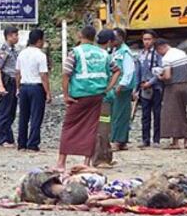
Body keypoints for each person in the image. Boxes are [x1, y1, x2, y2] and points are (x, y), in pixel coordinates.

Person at [56, 26, 111, 171]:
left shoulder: (75, 52)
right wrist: (108, 87)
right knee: (91, 128)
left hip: (79, 95)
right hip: (97, 95)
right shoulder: (103, 53)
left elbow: (66, 74)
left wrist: (66, 95)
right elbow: (117, 69)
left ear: (80, 35)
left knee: (69, 126)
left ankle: (61, 162)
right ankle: (86, 163)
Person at [15, 28, 51, 152]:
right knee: (36, 116)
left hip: (24, 86)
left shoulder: (22, 53)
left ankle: (22, 143)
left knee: (23, 116)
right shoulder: (41, 55)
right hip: (36, 87)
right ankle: (33, 143)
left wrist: (18, 87)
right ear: (39, 41)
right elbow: (43, 76)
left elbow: (17, 73)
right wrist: (48, 93)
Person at [154, 39, 187, 149]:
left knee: (172, 113)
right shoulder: (181, 53)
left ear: (161, 47)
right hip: (184, 85)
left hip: (173, 86)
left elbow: (167, 76)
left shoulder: (167, 58)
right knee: (183, 112)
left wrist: (159, 76)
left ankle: (175, 141)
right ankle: (186, 140)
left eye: (158, 51)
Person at [106, 29, 136, 151]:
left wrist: (121, 85)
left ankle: (117, 141)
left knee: (120, 115)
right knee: (115, 114)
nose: (113, 40)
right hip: (115, 87)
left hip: (122, 88)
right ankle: (121, 140)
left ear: (122, 38)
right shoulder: (114, 51)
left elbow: (129, 71)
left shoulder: (125, 52)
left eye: (115, 37)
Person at [91, 29, 115, 167]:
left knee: (94, 126)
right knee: (104, 126)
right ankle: (102, 158)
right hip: (104, 98)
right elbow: (117, 70)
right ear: (110, 42)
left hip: (89, 96)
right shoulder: (105, 55)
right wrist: (109, 87)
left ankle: (101, 155)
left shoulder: (91, 54)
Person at [0, 26, 20, 147]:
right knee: (4, 111)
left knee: (11, 111)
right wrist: (0, 85)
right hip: (7, 81)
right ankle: (2, 138)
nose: (17, 38)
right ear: (9, 36)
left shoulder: (14, 50)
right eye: (15, 35)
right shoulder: (3, 50)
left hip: (14, 82)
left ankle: (9, 138)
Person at [137, 30, 163, 149]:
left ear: (154, 40)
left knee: (157, 113)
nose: (147, 42)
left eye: (149, 39)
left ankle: (156, 139)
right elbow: (137, 71)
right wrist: (136, 87)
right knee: (145, 114)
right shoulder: (140, 54)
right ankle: (145, 139)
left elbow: (159, 72)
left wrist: (150, 83)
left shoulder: (157, 54)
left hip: (155, 87)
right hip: (143, 87)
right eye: (144, 39)